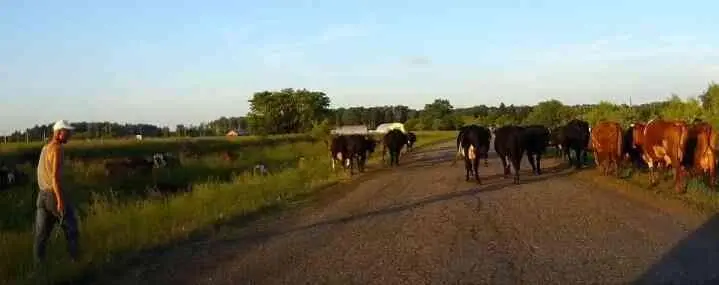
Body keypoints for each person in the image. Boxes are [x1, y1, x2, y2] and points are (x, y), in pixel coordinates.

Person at [34, 120, 79, 264]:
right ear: (59, 133)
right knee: (71, 228)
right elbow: (54, 177)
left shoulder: (45, 148)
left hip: (42, 196)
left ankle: (38, 265)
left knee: (41, 234)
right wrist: (60, 200)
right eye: (68, 132)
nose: (70, 135)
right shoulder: (57, 149)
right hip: (53, 196)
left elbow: (41, 173)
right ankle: (75, 261)